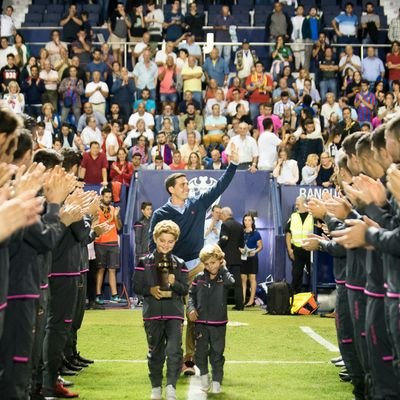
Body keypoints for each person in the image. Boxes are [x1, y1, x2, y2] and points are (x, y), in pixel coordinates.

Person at [149, 145, 239, 376]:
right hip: (172, 271)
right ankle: (171, 356)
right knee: (173, 317)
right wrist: (159, 275)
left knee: (194, 315)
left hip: (197, 268)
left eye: (187, 184)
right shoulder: (160, 214)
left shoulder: (198, 204)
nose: (187, 187)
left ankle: (188, 360)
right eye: (183, 184)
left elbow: (221, 185)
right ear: (171, 189)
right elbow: (153, 246)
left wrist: (234, 165)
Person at [133, 220, 188, 400]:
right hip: (152, 314)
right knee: (155, 352)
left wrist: (175, 283)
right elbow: (136, 286)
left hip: (174, 314)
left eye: (170, 241)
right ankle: (156, 387)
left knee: (174, 350)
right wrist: (150, 290)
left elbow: (185, 289)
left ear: (175, 242)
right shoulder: (143, 262)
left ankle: (171, 387)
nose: (166, 244)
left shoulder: (180, 264)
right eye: (162, 240)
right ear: (155, 239)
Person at [187, 243, 234, 394]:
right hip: (200, 323)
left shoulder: (224, 276)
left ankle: (216, 381)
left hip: (218, 323)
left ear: (220, 260)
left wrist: (223, 267)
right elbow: (191, 297)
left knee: (217, 354)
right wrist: (191, 309)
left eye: (213, 263)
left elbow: (231, 283)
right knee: (200, 354)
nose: (210, 266)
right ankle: (205, 377)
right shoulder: (199, 278)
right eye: (206, 264)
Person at [94, 188, 126, 305]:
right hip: (100, 243)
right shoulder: (96, 209)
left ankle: (114, 295)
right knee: (100, 269)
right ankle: (97, 295)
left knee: (112, 269)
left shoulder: (113, 209)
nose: (108, 199)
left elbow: (119, 227)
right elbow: (97, 227)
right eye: (106, 197)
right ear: (101, 196)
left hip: (113, 242)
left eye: (110, 197)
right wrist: (111, 218)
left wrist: (116, 217)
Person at [285, 196, 314, 294]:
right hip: (297, 249)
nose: (296, 205)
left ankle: (312, 298)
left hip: (311, 250)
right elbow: (288, 233)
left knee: (313, 274)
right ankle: (295, 298)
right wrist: (289, 249)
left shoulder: (313, 216)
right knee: (296, 275)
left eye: (298, 203)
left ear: (304, 203)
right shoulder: (293, 216)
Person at [219, 207, 244, 311]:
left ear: (225, 215)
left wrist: (217, 247)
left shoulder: (225, 225)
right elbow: (242, 243)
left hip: (226, 259)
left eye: (221, 215)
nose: (220, 217)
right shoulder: (239, 225)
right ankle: (240, 305)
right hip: (237, 259)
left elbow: (224, 240)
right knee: (238, 284)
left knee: (224, 282)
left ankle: (221, 304)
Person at [240, 214, 263, 308]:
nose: (247, 222)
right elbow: (238, 244)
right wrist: (240, 249)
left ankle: (251, 300)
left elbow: (260, 246)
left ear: (252, 221)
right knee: (243, 278)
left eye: (249, 220)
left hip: (252, 258)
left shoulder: (256, 233)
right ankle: (242, 300)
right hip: (243, 257)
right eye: (245, 220)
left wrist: (255, 251)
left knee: (252, 278)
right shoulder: (241, 232)